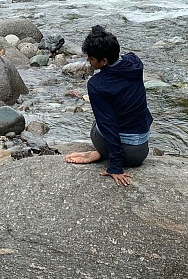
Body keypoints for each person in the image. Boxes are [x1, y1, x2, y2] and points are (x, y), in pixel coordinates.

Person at [65, 25, 152, 187]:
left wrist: (115, 167)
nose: (87, 61)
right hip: (142, 149)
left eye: (91, 58)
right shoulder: (134, 63)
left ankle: (101, 152)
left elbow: (108, 125)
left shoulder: (97, 85)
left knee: (97, 124)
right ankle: (102, 152)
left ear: (104, 61)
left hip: (129, 156)